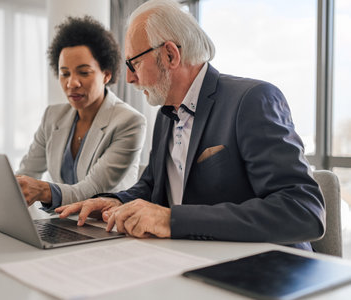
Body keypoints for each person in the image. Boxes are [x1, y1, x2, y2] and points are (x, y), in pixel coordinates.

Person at [56, 0, 325, 251]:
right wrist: (117, 201)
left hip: (265, 269)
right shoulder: (165, 113)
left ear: (170, 55)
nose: (128, 78)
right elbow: (152, 186)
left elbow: (303, 210)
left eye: (134, 63)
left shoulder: (252, 100)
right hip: (193, 257)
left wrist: (172, 220)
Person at [16, 16, 146, 211]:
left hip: (107, 228)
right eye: (65, 73)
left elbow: (91, 190)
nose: (72, 83)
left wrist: (43, 191)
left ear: (106, 74)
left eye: (84, 73)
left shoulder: (129, 122)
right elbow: (26, 172)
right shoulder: (52, 117)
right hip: (62, 223)